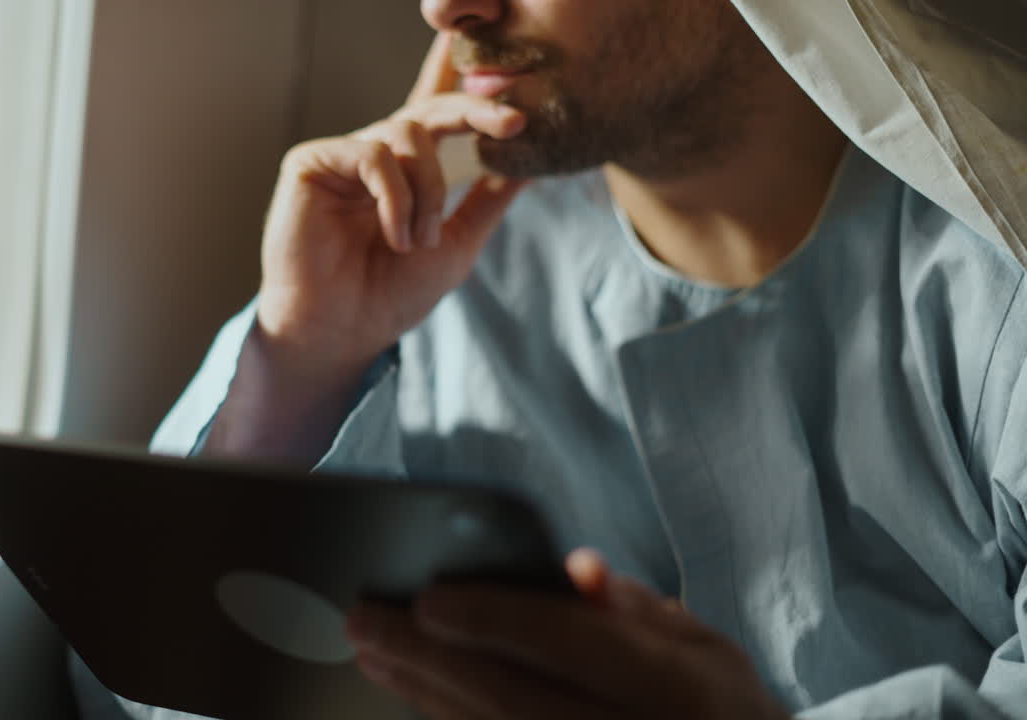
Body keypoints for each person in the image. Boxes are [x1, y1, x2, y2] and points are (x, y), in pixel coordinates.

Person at [139, 1, 1027, 718]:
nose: (444, 8)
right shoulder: (424, 274)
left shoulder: (998, 290)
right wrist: (300, 371)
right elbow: (148, 697)